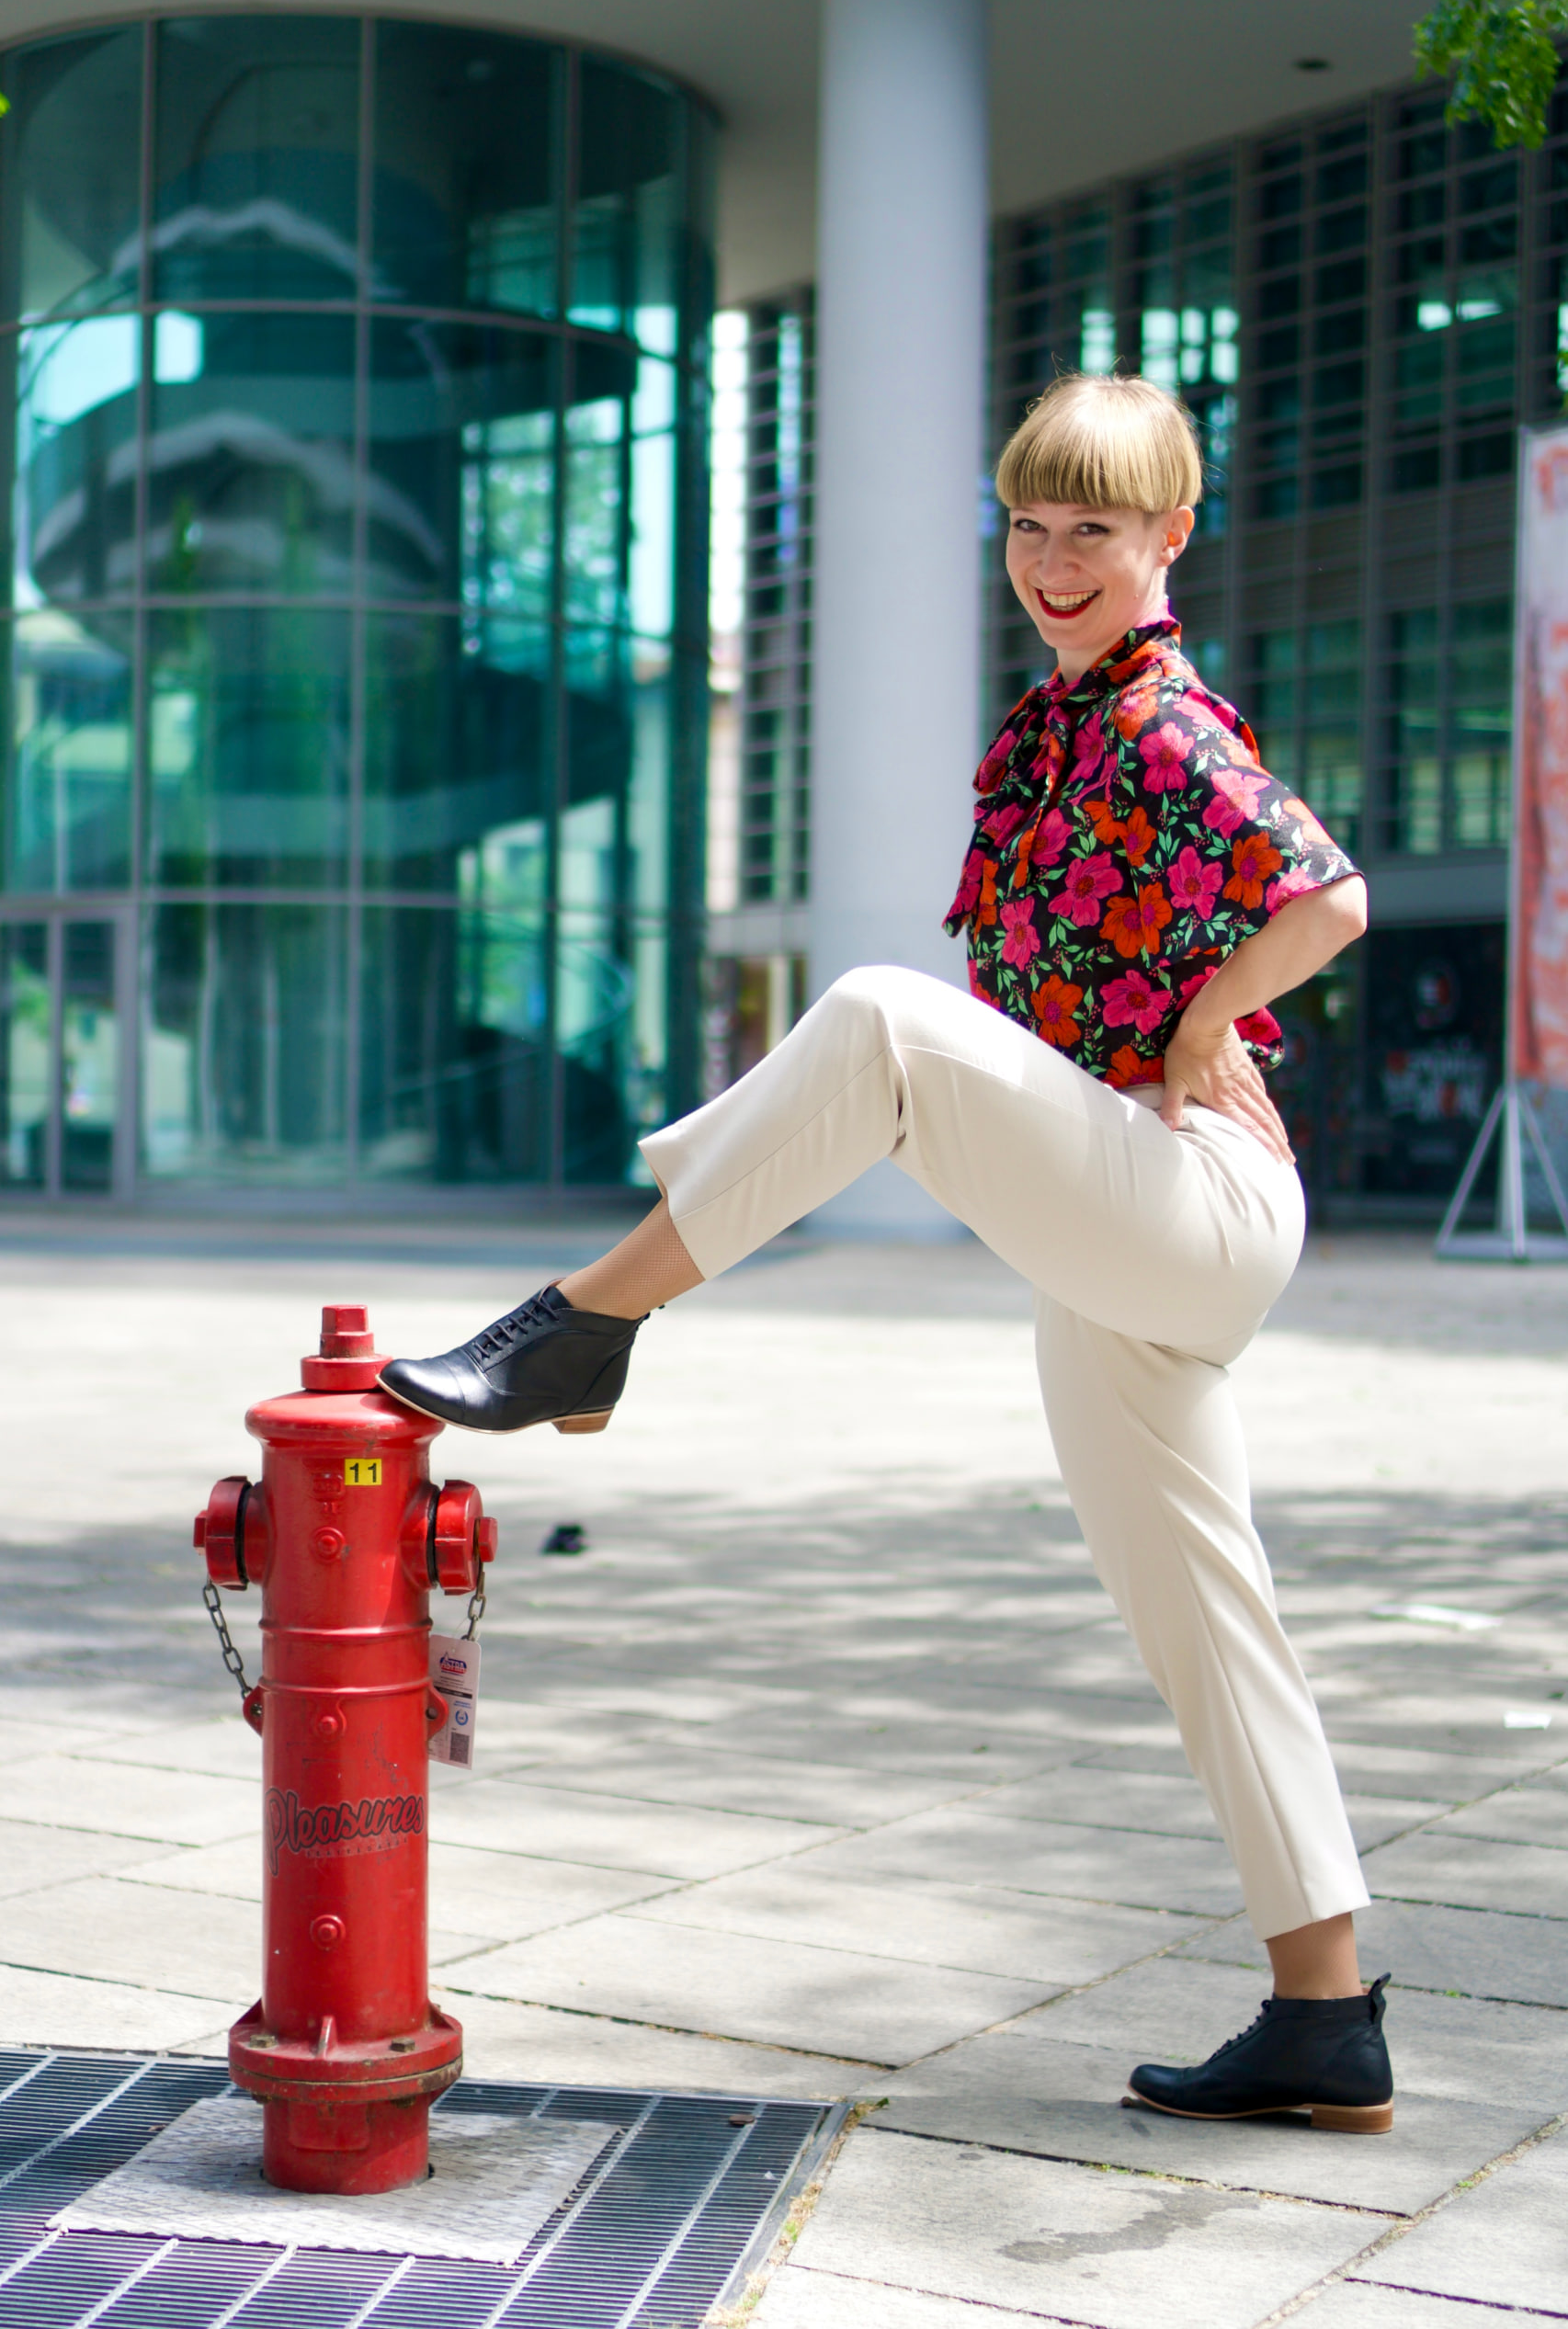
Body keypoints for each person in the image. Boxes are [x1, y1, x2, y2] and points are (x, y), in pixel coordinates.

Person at [381, 371, 1394, 2135]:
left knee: (877, 1017)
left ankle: (587, 1324)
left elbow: (1332, 894)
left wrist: (1203, 1019)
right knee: (1204, 1624)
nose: (1055, 560)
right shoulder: (1041, 736)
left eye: (1097, 528)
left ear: (1171, 537)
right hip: (1119, 1217)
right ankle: (1327, 2018)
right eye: (1030, 524)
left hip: (1198, 1186)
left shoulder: (1160, 723)